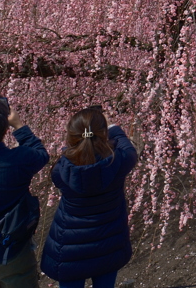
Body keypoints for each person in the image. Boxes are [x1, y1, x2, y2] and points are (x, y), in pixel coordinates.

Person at [41, 106, 138, 288]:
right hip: (108, 243)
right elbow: (128, 147)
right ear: (103, 134)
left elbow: (72, 154)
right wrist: (113, 126)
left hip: (70, 246)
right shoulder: (118, 161)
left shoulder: (61, 170)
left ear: (71, 137)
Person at [0, 96, 49, 288]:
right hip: (8, 250)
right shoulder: (18, 161)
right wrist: (19, 126)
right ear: (5, 130)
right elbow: (41, 154)